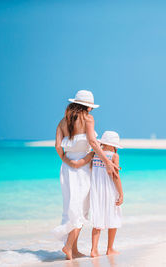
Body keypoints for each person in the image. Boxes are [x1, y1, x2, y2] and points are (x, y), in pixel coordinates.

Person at [53, 90, 119, 260]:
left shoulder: (63, 121)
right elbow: (93, 143)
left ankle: (73, 250)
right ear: (88, 107)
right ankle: (68, 246)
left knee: (71, 207)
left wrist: (69, 162)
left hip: (66, 168)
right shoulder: (88, 119)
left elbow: (58, 146)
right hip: (82, 169)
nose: (91, 111)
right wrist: (107, 161)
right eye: (91, 107)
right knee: (80, 208)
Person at [89, 131, 124, 257]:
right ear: (114, 144)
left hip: (96, 190)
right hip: (109, 190)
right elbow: (115, 176)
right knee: (113, 217)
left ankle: (93, 250)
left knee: (98, 219)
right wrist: (121, 193)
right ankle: (109, 248)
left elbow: (91, 171)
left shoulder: (95, 154)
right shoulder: (114, 156)